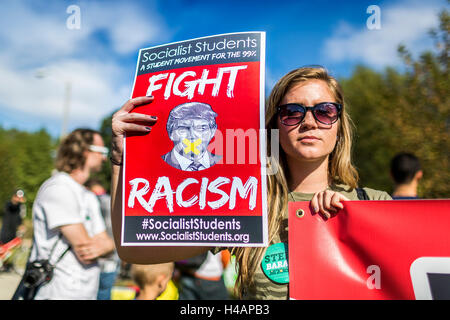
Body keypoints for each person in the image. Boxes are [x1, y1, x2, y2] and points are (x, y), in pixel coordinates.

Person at [110, 66, 391, 299]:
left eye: (325, 111)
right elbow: (133, 249)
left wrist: (355, 227)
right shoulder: (246, 203)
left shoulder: (377, 204)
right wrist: (121, 161)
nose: (308, 122)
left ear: (339, 126)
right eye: (292, 112)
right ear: (275, 128)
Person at [23, 128, 115, 300]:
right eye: (103, 151)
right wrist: (106, 245)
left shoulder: (87, 195)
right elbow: (85, 250)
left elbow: (108, 245)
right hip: (58, 292)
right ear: (85, 151)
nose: (104, 158)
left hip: (84, 292)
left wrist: (108, 246)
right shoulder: (59, 188)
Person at [85, 178, 121, 300]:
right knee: (104, 292)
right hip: (111, 257)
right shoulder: (112, 201)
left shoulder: (86, 202)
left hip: (90, 257)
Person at [162, 102, 222, 171]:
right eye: (183, 128)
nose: (192, 135)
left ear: (212, 132)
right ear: (171, 133)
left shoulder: (225, 164)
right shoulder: (156, 164)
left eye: (201, 128)